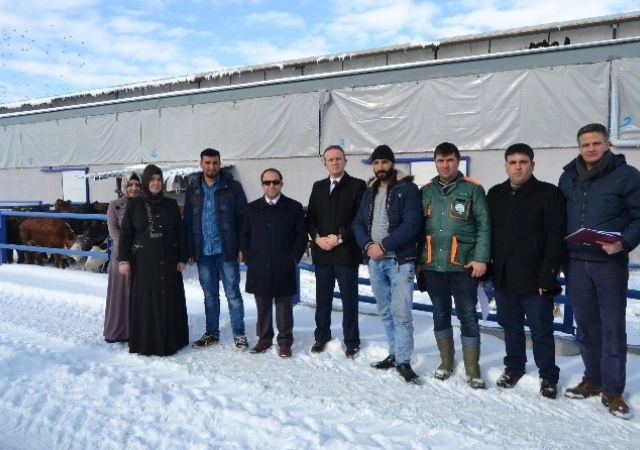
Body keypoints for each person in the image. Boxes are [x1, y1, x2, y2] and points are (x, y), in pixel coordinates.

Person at [559, 123, 640, 419]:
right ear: (579, 147)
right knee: (586, 325)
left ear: (608, 144)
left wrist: (623, 243)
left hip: (609, 263)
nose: (591, 148)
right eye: (585, 144)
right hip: (576, 262)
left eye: (596, 143)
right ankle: (592, 379)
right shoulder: (568, 177)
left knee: (612, 327)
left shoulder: (626, 176)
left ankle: (613, 390)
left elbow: (639, 216)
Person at [487, 143, 565, 399]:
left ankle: (548, 376)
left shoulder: (548, 194)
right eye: (513, 162)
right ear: (506, 166)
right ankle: (514, 367)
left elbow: (555, 238)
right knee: (510, 326)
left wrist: (548, 274)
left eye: (523, 162)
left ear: (532, 164)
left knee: (541, 330)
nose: (518, 167)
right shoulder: (495, 194)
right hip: (504, 276)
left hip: (536, 278)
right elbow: (487, 234)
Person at [417, 142, 491, 389]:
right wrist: (418, 262)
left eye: (449, 160)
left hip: (463, 265)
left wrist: (481, 258)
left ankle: (472, 369)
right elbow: (417, 228)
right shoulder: (426, 191)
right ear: (435, 163)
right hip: (433, 265)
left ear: (457, 161)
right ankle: (446, 361)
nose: (445, 165)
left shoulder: (473, 189)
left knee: (467, 315)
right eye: (440, 160)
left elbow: (484, 226)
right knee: (440, 313)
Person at [353, 145, 422, 383]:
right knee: (385, 311)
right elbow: (358, 223)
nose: (380, 167)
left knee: (401, 313)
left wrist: (383, 246)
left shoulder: (408, 189)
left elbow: (412, 225)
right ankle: (394, 353)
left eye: (384, 162)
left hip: (399, 260)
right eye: (376, 163)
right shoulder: (369, 191)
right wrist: (367, 246)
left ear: (392, 163)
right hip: (375, 261)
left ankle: (403, 360)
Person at [118, 164, 189, 357]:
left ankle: (171, 342)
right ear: (146, 182)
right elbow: (125, 235)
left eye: (159, 179)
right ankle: (147, 343)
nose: (156, 183)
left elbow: (180, 232)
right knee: (147, 303)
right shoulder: (134, 205)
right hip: (144, 263)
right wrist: (123, 259)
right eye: (152, 179)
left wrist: (182, 257)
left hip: (169, 262)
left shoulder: (171, 205)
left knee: (169, 300)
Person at [184, 148, 249, 350]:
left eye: (215, 163)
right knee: (210, 295)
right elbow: (188, 221)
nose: (211, 166)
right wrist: (189, 249)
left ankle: (239, 334)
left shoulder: (233, 187)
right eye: (207, 162)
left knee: (233, 294)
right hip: (203, 251)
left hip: (227, 249)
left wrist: (242, 247)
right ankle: (212, 333)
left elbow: (244, 219)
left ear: (220, 164)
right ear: (201, 164)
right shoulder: (193, 189)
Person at [306, 145, 367, 358]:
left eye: (338, 158)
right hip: (322, 251)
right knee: (322, 298)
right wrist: (316, 238)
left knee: (349, 299)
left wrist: (340, 237)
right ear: (324, 163)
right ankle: (321, 336)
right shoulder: (318, 187)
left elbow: (360, 218)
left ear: (345, 161)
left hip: (346, 252)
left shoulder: (358, 186)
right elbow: (310, 218)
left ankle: (351, 341)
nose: (334, 162)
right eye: (330, 159)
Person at [240, 168, 308, 358]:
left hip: (284, 264)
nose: (271, 185)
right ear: (262, 185)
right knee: (262, 304)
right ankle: (264, 339)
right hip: (259, 264)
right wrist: (250, 255)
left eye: (275, 182)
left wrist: (293, 257)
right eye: (267, 182)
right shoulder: (251, 208)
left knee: (284, 306)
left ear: (281, 184)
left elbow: (301, 236)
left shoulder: (294, 207)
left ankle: (285, 341)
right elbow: (244, 235)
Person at [103, 172, 141, 343]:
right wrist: (129, 246)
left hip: (142, 255)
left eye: (137, 185)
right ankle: (118, 332)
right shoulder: (114, 205)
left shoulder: (146, 204)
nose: (133, 188)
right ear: (124, 186)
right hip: (122, 255)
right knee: (121, 293)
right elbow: (113, 230)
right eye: (130, 185)